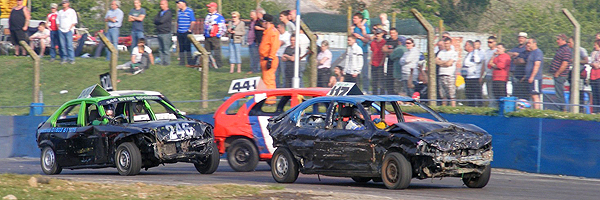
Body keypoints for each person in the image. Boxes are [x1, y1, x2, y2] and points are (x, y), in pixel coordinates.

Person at [550, 34, 572, 111]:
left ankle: (562, 109)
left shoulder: (566, 50)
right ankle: (561, 108)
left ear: (563, 40)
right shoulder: (561, 49)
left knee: (559, 93)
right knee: (558, 93)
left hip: (560, 75)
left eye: (558, 39)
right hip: (557, 75)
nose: (557, 41)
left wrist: (558, 73)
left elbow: (565, 63)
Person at [259, 14, 280, 94]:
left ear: (266, 22)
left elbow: (274, 46)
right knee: (266, 79)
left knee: (269, 80)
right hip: (264, 59)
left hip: (269, 59)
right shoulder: (267, 32)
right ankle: (267, 97)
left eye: (262, 22)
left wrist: (270, 59)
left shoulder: (272, 32)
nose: (261, 24)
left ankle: (271, 100)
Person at [351, 13, 371, 93]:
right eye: (353, 18)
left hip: (363, 51)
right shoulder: (354, 27)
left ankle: (366, 88)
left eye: (355, 18)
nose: (354, 20)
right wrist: (352, 31)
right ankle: (356, 88)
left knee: (364, 71)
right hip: (354, 52)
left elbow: (367, 40)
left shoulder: (365, 27)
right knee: (354, 71)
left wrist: (360, 36)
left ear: (360, 19)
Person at [436, 37, 458, 107]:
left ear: (450, 43)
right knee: (443, 94)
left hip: (450, 75)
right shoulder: (441, 52)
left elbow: (449, 64)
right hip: (441, 74)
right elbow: (436, 61)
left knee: (451, 94)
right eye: (445, 44)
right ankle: (444, 107)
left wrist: (442, 63)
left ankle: (453, 107)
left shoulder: (454, 53)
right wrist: (445, 62)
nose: (446, 45)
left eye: (447, 43)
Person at [507, 32, 530, 99]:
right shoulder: (516, 48)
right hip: (515, 73)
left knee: (523, 94)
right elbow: (508, 53)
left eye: (522, 38)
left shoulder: (526, 49)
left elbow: (523, 60)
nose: (520, 39)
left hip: (523, 74)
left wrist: (518, 56)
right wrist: (514, 53)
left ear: (525, 39)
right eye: (519, 38)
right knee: (515, 93)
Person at [204, 2, 226, 68]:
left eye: (210, 7)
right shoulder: (207, 16)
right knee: (207, 52)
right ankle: (208, 65)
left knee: (217, 51)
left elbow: (222, 27)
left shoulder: (218, 16)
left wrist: (218, 35)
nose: (209, 8)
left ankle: (219, 65)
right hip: (207, 36)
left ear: (214, 7)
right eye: (208, 7)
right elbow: (205, 25)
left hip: (215, 37)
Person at [524, 38, 544, 110]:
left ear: (534, 43)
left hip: (535, 78)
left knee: (535, 95)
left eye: (529, 43)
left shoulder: (537, 52)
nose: (528, 44)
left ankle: (537, 111)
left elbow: (537, 65)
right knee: (532, 95)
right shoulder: (531, 52)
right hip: (529, 77)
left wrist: (532, 77)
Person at [462, 40, 482, 106]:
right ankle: (471, 106)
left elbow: (477, 61)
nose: (464, 47)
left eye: (466, 45)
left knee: (476, 93)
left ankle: (479, 107)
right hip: (468, 76)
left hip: (475, 76)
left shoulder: (479, 52)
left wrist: (476, 50)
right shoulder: (469, 54)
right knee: (469, 93)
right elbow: (465, 63)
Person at [56, 0, 77, 64]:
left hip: (68, 30)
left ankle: (71, 58)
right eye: (62, 3)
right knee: (62, 45)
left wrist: (70, 28)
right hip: (61, 30)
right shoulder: (60, 12)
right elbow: (57, 20)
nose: (63, 4)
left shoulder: (71, 11)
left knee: (69, 45)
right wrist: (58, 27)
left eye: (65, 3)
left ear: (68, 4)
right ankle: (64, 58)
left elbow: (74, 21)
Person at [176, 0, 195, 66]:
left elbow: (193, 21)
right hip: (180, 32)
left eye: (179, 3)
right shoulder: (179, 12)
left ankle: (189, 62)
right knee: (181, 47)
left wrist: (189, 30)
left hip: (186, 32)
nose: (178, 5)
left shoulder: (189, 11)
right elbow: (178, 21)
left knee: (187, 47)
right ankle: (182, 62)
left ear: (184, 3)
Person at [382, 28, 401, 95]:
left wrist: (392, 52)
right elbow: (384, 49)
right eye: (391, 33)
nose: (392, 34)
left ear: (396, 33)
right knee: (389, 78)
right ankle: (389, 94)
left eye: (393, 33)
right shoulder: (388, 40)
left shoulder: (399, 41)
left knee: (396, 79)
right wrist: (390, 51)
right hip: (389, 62)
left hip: (397, 63)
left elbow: (399, 51)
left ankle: (396, 95)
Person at [480, 36, 498, 107]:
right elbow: (484, 64)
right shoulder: (486, 52)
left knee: (494, 93)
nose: (489, 43)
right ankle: (491, 106)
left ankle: (494, 106)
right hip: (487, 74)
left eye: (490, 42)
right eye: (488, 42)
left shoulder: (496, 51)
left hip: (494, 75)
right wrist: (481, 76)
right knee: (489, 92)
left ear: (495, 42)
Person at [154, 0, 172, 66]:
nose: (161, 6)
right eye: (160, 4)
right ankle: (161, 62)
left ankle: (166, 62)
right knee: (160, 49)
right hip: (159, 32)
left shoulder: (168, 13)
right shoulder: (160, 12)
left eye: (162, 4)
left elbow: (162, 20)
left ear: (166, 4)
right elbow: (155, 20)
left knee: (166, 49)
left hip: (166, 33)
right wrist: (158, 21)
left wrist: (158, 21)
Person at [370, 29, 386, 95]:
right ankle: (374, 94)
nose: (377, 35)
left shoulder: (384, 42)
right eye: (376, 34)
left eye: (378, 34)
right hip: (374, 63)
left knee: (381, 80)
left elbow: (385, 53)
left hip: (380, 64)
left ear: (382, 34)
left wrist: (382, 62)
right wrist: (371, 61)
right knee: (374, 81)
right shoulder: (373, 43)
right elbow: (372, 52)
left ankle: (382, 94)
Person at [275, 23, 290, 87]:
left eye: (278, 28)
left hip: (283, 57)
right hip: (276, 55)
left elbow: (279, 43)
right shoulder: (277, 35)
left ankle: (284, 87)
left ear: (282, 27)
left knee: (284, 74)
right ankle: (276, 87)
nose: (277, 29)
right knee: (276, 74)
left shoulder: (287, 35)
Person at [588, 39, 600, 113]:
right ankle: (595, 111)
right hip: (593, 75)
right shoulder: (593, 53)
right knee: (594, 93)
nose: (594, 46)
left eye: (595, 45)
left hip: (599, 75)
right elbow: (590, 61)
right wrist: (593, 64)